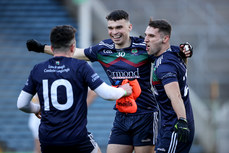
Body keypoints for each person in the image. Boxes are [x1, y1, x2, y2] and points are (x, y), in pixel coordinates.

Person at [26, 10, 192, 153]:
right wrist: (41, 48)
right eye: (111, 28)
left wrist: (185, 49)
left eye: (119, 27)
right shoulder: (103, 49)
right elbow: (74, 53)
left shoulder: (144, 46)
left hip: (146, 115)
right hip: (121, 114)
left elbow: (168, 49)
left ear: (129, 27)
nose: (114, 32)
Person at [17, 25, 133, 153]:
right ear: (73, 47)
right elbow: (107, 94)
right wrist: (124, 90)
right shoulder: (80, 66)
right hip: (76, 138)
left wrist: (37, 109)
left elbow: (21, 104)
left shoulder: (38, 69)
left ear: (51, 46)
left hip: (48, 139)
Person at [144, 19, 194, 152]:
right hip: (167, 126)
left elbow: (175, 96)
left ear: (165, 39)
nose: (146, 40)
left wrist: (182, 121)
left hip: (175, 127)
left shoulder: (165, 67)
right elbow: (185, 49)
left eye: (151, 36)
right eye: (146, 35)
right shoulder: (173, 51)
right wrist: (188, 49)